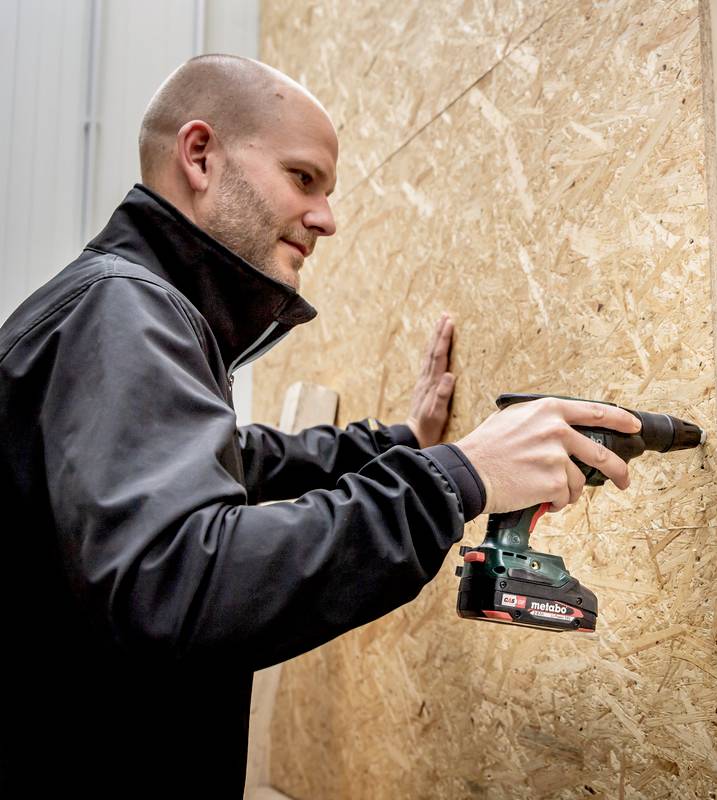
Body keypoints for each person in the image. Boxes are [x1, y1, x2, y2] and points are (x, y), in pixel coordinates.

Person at [0, 54, 640, 795]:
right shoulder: (123, 311)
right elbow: (178, 583)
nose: (328, 219)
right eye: (304, 178)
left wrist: (398, 443)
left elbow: (239, 459)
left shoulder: (131, 307)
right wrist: (458, 476)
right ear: (200, 154)